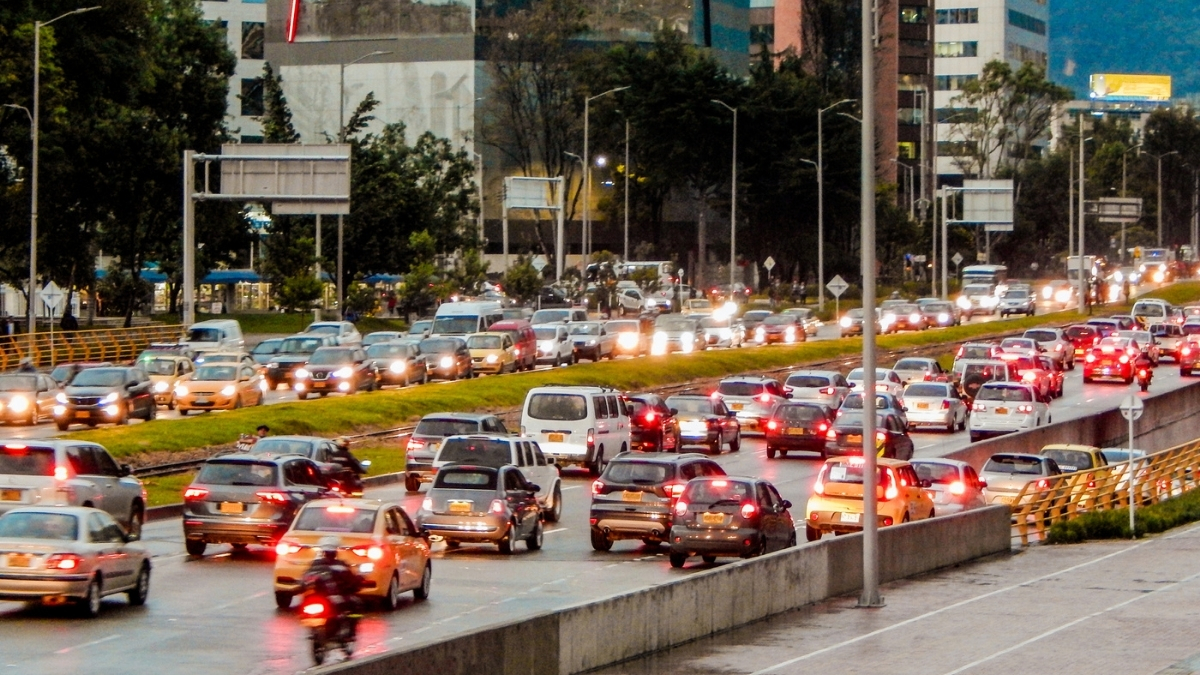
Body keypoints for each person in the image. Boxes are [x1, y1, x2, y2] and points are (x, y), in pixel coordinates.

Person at [304, 536, 364, 617]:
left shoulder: (315, 565)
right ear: (335, 552)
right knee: (357, 605)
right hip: (328, 599)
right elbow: (351, 581)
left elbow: (304, 579)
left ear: (323, 552)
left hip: (320, 598)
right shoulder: (341, 566)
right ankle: (351, 622)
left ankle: (350, 622)